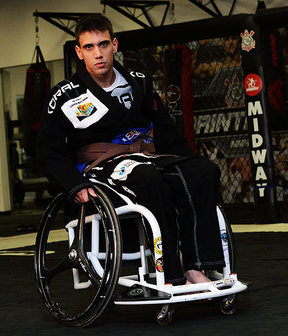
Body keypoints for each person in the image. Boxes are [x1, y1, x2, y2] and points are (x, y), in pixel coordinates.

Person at [37, 14, 224, 286]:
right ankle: (172, 273)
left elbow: (165, 129)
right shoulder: (64, 96)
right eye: (89, 47)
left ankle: (198, 265)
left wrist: (186, 160)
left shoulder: (139, 82)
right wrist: (73, 185)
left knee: (203, 170)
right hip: (101, 166)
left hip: (146, 155)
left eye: (103, 45)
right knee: (149, 178)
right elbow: (48, 149)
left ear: (114, 45)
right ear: (79, 52)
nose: (98, 54)